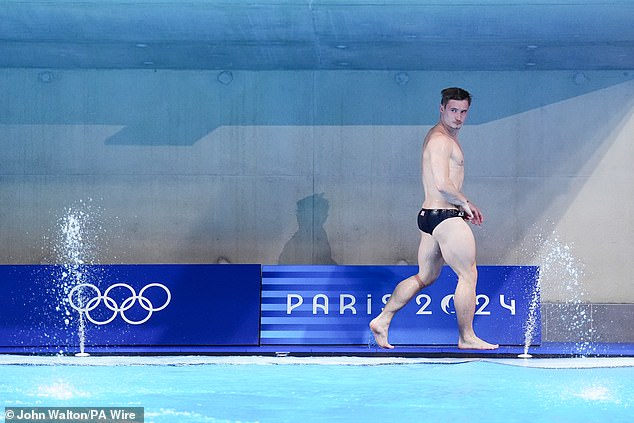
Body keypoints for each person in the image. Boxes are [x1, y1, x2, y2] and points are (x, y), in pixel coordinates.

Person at [369, 87, 498, 350]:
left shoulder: (438, 136)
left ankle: (382, 319)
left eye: (463, 112)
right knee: (468, 275)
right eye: (453, 110)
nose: (458, 117)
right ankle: (466, 337)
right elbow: (442, 184)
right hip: (445, 216)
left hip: (429, 217)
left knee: (425, 276)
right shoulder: (441, 140)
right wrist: (465, 203)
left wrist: (461, 205)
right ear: (442, 109)